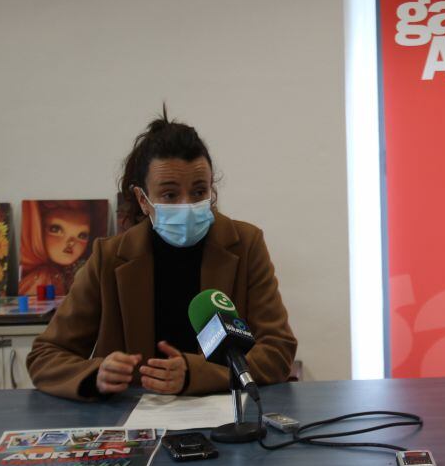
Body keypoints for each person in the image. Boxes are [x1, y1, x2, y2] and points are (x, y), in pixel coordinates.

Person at [27, 110, 297, 399]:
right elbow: (46, 355)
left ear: (211, 190)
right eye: (169, 195)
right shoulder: (109, 258)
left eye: (198, 191)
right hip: (134, 422)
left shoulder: (245, 244)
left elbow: (278, 350)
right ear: (143, 200)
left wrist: (198, 374)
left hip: (224, 418)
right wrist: (96, 373)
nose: (187, 204)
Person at [19, 200, 107, 297]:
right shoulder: (43, 279)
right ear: (37, 229)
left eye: (82, 235)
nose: (71, 242)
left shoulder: (81, 272)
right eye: (56, 229)